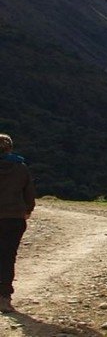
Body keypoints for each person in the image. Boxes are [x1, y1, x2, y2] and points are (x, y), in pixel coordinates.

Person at [0, 134, 34, 314]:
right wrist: (28, 210)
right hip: (14, 219)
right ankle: (4, 297)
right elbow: (29, 193)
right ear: (10, 148)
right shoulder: (21, 168)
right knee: (7, 256)